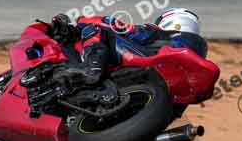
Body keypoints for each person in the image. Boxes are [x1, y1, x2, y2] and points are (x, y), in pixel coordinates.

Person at [47, 8, 206, 89]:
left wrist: (84, 22)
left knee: (96, 28)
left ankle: (91, 69)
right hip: (153, 92)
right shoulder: (197, 51)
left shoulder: (161, 34)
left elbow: (121, 28)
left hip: (143, 62)